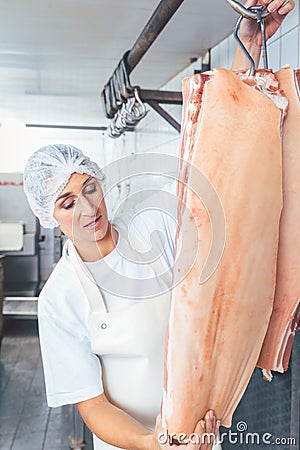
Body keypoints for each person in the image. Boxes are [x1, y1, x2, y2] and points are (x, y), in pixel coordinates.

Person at [23, 2, 294, 449]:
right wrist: (155, 443)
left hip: (201, 429)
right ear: (50, 217)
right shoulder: (58, 299)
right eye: (67, 203)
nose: (88, 208)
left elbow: (220, 165)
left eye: (90, 189)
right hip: (135, 444)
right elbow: (92, 407)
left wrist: (249, 43)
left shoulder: (152, 223)